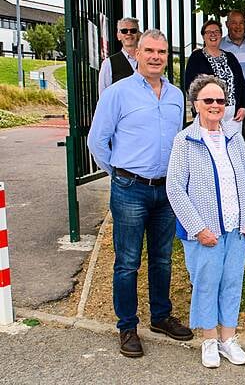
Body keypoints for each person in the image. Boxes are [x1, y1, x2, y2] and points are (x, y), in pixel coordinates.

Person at [87, 29, 193, 358]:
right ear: (137, 54)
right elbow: (96, 141)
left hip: (165, 191)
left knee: (162, 259)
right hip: (130, 189)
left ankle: (160, 317)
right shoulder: (118, 94)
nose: (156, 57)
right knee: (128, 262)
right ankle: (127, 326)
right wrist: (119, 174)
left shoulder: (176, 95)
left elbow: (179, 141)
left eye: (162, 52)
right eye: (149, 50)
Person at [166, 75, 245, 368]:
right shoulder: (184, 140)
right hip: (205, 231)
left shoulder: (234, 137)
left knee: (232, 282)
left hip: (237, 227)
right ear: (195, 104)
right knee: (207, 283)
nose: (215, 105)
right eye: (208, 100)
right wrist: (198, 229)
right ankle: (209, 340)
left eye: (220, 100)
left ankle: (228, 339)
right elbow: (174, 188)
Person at [184, 19, 245, 122]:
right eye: (209, 32)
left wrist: (244, 106)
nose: (213, 34)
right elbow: (189, 85)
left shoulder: (230, 57)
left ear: (221, 35)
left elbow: (242, 84)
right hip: (208, 111)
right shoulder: (196, 57)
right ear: (203, 36)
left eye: (216, 32)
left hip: (232, 114)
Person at [221, 9, 245, 160]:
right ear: (227, 24)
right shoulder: (221, 45)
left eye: (241, 23)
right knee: (230, 135)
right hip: (230, 97)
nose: (238, 26)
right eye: (234, 23)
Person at [98, 17, 140, 95]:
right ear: (118, 36)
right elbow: (104, 96)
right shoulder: (108, 64)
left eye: (133, 30)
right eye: (124, 31)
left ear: (138, 34)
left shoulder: (147, 60)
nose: (128, 33)